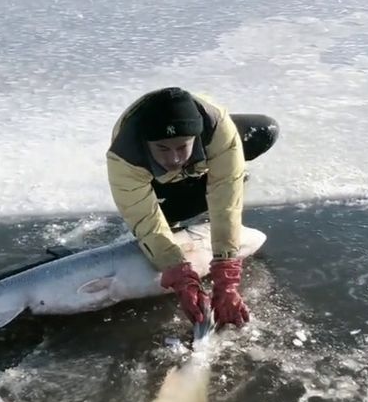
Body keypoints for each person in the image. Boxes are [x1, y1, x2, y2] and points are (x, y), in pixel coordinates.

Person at [106, 87, 278, 328]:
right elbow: (144, 219)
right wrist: (178, 272)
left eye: (181, 147)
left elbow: (225, 202)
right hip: (158, 183)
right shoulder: (124, 157)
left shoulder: (218, 130)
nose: (174, 158)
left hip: (205, 150)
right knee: (166, 219)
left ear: (196, 137)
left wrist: (226, 274)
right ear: (147, 144)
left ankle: (201, 171)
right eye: (164, 149)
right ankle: (178, 200)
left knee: (263, 131)